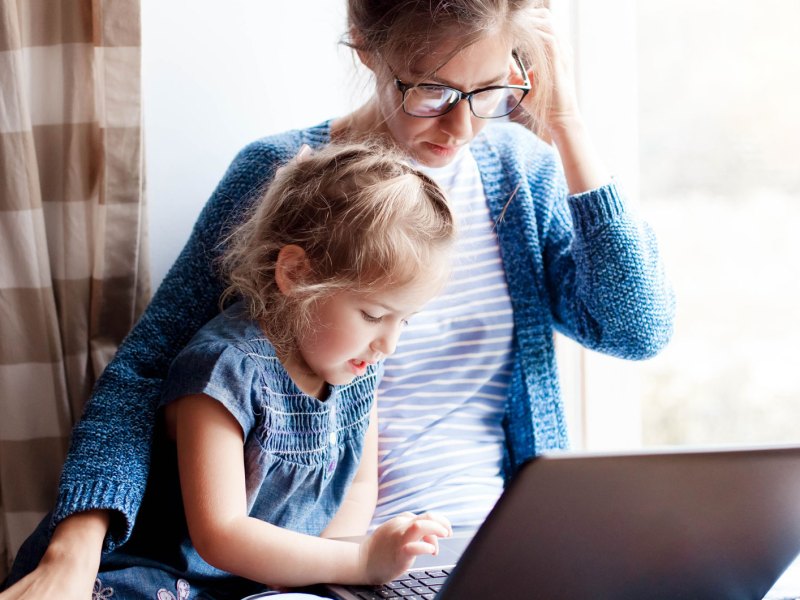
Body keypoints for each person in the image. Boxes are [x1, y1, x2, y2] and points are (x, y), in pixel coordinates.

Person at [2, 1, 675, 598]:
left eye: (490, 91)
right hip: (343, 565)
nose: (462, 126)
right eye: (432, 91)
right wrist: (76, 544)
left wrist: (568, 128)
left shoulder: (519, 176)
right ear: (365, 44)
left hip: (507, 551)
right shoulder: (289, 176)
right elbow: (149, 368)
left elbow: (636, 328)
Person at [12, 142, 457, 599]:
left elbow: (360, 485)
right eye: (372, 314)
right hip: (153, 577)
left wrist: (322, 573)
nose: (388, 344)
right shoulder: (225, 369)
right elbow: (220, 533)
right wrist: (361, 560)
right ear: (296, 274)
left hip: (251, 587)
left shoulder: (357, 371)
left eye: (404, 320)